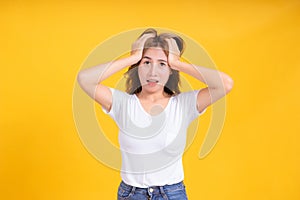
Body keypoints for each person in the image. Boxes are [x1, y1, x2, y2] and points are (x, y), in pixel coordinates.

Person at [77, 28, 234, 200]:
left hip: (172, 194)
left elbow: (225, 84)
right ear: (137, 68)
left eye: (162, 64)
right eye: (146, 62)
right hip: (131, 194)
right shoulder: (123, 103)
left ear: (170, 70)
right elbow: (85, 79)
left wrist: (177, 62)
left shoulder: (183, 105)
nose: (153, 72)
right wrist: (133, 57)